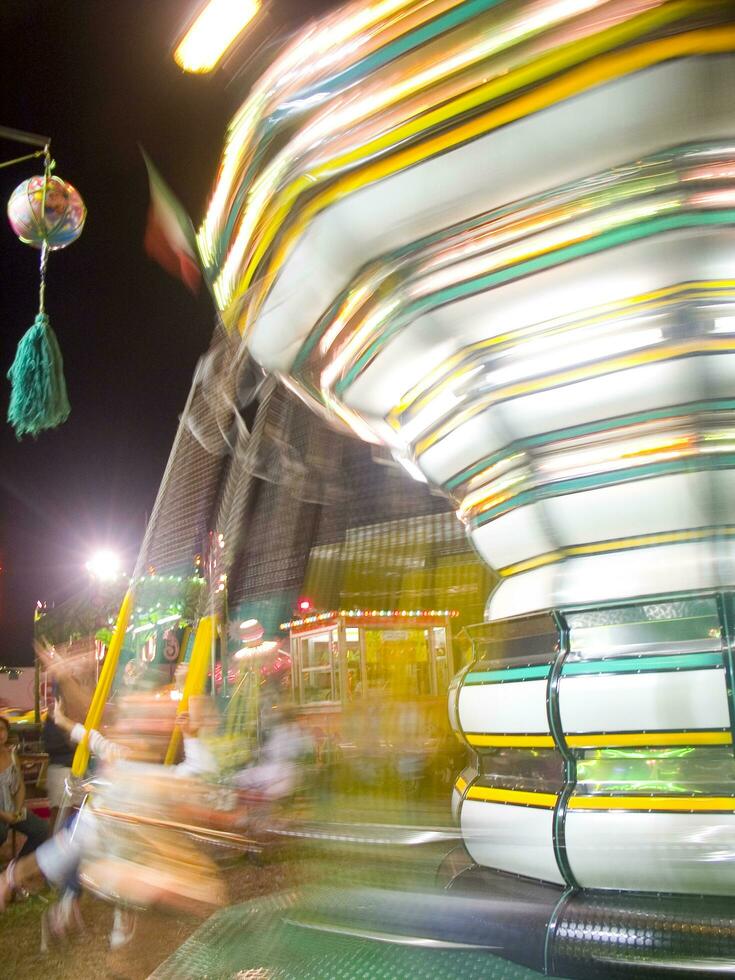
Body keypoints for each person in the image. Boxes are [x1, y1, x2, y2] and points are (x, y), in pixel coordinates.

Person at [0, 715, 48, 863]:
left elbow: (20, 785)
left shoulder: (11, 754)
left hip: (12, 809)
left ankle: (14, 871)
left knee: (42, 830)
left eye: (1, 729)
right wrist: (5, 815)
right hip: (2, 813)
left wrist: (18, 810)